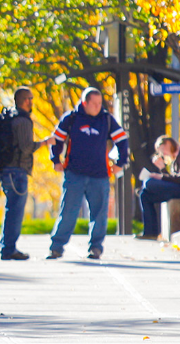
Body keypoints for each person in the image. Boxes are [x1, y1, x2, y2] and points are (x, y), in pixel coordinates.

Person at [48, 87, 128, 260]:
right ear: (85, 103)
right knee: (68, 212)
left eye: (100, 103)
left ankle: (96, 248)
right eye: (94, 103)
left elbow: (122, 139)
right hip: (74, 174)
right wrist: (55, 160)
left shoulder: (106, 119)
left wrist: (120, 163)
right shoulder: (71, 118)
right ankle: (56, 248)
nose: (98, 106)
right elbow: (57, 139)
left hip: (100, 176)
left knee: (99, 214)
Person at [0, 87, 55, 260]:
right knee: (15, 211)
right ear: (26, 100)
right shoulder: (23, 121)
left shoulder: (10, 118)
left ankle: (7, 247)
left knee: (11, 209)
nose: (32, 102)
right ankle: (9, 249)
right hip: (16, 171)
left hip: (6, 170)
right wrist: (45, 143)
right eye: (31, 98)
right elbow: (27, 147)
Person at [136, 135, 180, 240]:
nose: (163, 154)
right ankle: (150, 233)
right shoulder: (174, 161)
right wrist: (162, 169)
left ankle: (147, 186)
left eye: (163, 150)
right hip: (176, 189)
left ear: (168, 143)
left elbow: (179, 179)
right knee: (144, 195)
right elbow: (172, 179)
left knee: (149, 183)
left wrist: (159, 177)